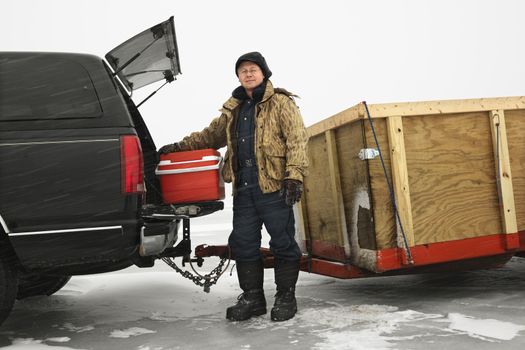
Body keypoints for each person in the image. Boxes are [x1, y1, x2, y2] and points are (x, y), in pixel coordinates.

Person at [158, 52, 308, 322]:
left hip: (273, 187)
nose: (248, 74)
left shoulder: (281, 103)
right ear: (238, 77)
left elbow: (297, 139)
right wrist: (178, 147)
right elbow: (209, 136)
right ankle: (253, 298)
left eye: (253, 69)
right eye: (243, 71)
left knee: (283, 243)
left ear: (264, 73)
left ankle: (286, 297)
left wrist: (293, 176)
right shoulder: (234, 109)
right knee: (245, 245)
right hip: (244, 190)